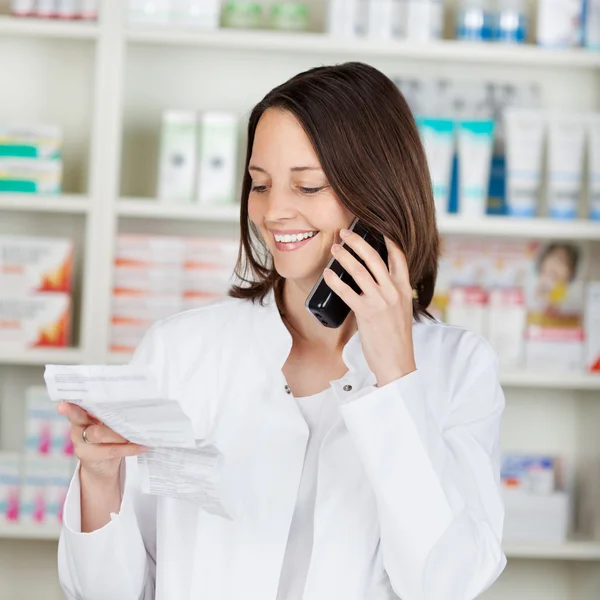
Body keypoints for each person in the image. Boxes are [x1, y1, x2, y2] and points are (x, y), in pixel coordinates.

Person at [57, 62, 506, 600]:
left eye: (308, 185)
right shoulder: (181, 351)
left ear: (378, 194)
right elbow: (106, 593)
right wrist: (99, 479)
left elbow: (447, 584)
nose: (274, 211)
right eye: (260, 184)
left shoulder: (457, 368)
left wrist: (395, 376)